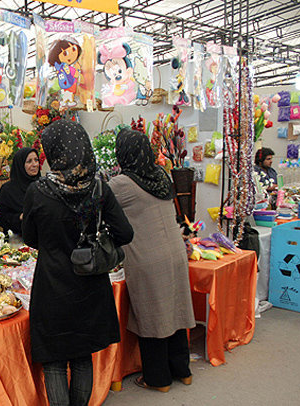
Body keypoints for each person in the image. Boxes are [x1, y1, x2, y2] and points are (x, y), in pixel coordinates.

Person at [22, 120, 133, 405]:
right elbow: (125, 233)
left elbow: (30, 238)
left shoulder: (38, 191)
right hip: (90, 283)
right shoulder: (99, 189)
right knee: (83, 356)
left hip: (52, 285)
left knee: (55, 361)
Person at [108, 128, 195, 393]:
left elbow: (101, 210)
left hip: (147, 258)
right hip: (175, 253)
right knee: (176, 311)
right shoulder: (160, 175)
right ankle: (183, 371)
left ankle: (158, 379)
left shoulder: (121, 184)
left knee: (153, 316)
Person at [0, 147, 40, 235]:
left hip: (41, 240)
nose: (35, 164)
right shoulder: (8, 190)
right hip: (16, 241)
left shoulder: (42, 186)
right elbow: (2, 219)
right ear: (20, 165)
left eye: (36, 160)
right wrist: (19, 217)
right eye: (29, 161)